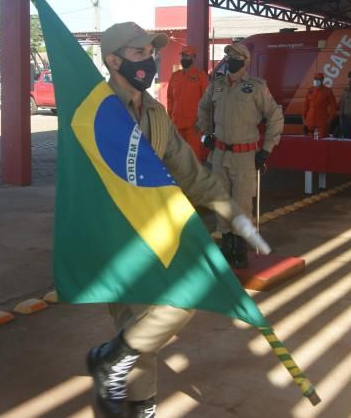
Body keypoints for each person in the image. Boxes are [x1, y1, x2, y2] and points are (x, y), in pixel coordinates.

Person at [86, 22, 267, 418]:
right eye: (138, 54)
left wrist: (231, 211)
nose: (149, 60)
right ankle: (139, 403)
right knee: (139, 320)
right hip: (118, 236)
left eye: (151, 52)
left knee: (150, 322)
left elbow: (189, 170)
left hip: (153, 231)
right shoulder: (95, 109)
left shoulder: (153, 110)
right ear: (113, 60)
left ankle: (113, 364)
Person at [197, 43, 284, 269]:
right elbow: (203, 108)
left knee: (242, 204)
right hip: (219, 154)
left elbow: (275, 116)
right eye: (228, 57)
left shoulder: (256, 87)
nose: (229, 61)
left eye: (235, 57)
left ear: (245, 62)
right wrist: (205, 133)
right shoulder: (216, 86)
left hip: (245, 157)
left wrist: (266, 149)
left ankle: (239, 248)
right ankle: (227, 245)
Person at [166, 45, 209, 160]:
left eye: (187, 56)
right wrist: (170, 118)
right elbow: (170, 99)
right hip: (176, 124)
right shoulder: (175, 76)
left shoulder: (201, 76)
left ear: (193, 58)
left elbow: (206, 101)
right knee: (178, 156)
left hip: (193, 126)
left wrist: (202, 122)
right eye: (183, 56)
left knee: (194, 157)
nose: (184, 58)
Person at [303, 72, 337, 138]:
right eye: (315, 79)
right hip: (310, 121)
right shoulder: (310, 90)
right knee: (309, 141)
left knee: (321, 140)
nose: (316, 81)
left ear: (322, 80)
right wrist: (304, 119)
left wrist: (330, 118)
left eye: (318, 79)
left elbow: (333, 106)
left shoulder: (328, 91)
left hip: (322, 121)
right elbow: (306, 106)